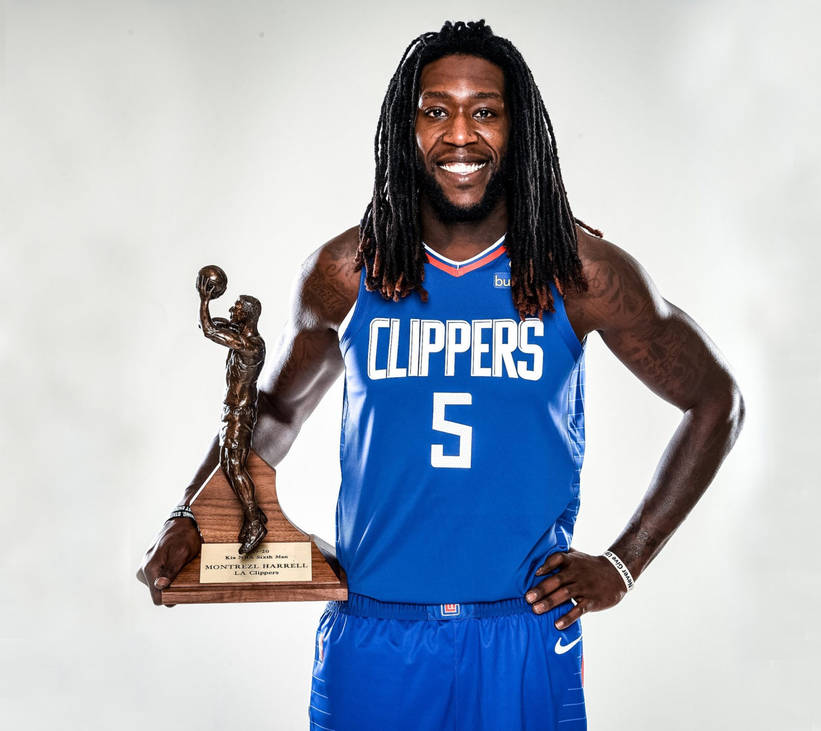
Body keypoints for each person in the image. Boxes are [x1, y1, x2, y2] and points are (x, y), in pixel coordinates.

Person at [137, 20, 745, 730]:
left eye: (485, 110)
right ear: (406, 130)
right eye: (436, 110)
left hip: (523, 631)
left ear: (519, 129)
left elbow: (716, 400)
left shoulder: (577, 272)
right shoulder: (345, 272)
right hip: (375, 634)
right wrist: (191, 513)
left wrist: (625, 561)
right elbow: (273, 411)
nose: (460, 134)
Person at [196, 277, 268, 554]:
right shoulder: (239, 335)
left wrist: (204, 299)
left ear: (248, 314)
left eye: (236, 307)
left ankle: (255, 522)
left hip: (240, 413)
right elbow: (209, 325)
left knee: (235, 466)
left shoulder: (250, 345)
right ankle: (254, 515)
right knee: (227, 464)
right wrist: (210, 308)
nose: (231, 310)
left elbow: (209, 331)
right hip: (232, 411)